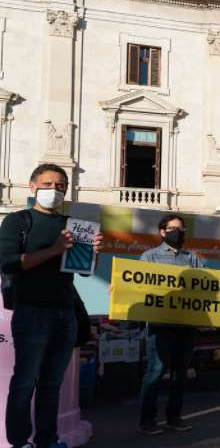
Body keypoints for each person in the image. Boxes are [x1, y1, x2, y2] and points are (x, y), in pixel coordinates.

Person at [0, 163, 103, 448]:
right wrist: (54, 251)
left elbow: (83, 271)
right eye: (47, 184)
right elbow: (9, 263)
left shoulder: (73, 224)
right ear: (32, 186)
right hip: (31, 311)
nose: (53, 191)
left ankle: (48, 440)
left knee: (51, 384)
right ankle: (20, 441)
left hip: (65, 312)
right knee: (24, 382)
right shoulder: (17, 222)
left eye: (60, 186)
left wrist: (92, 254)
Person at [138, 214, 206, 435]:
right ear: (162, 232)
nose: (178, 232)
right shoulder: (149, 257)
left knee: (181, 374)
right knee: (155, 372)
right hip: (160, 326)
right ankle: (148, 420)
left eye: (181, 228)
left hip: (186, 327)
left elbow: (206, 286)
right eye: (173, 228)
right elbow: (139, 288)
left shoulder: (192, 258)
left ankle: (174, 417)